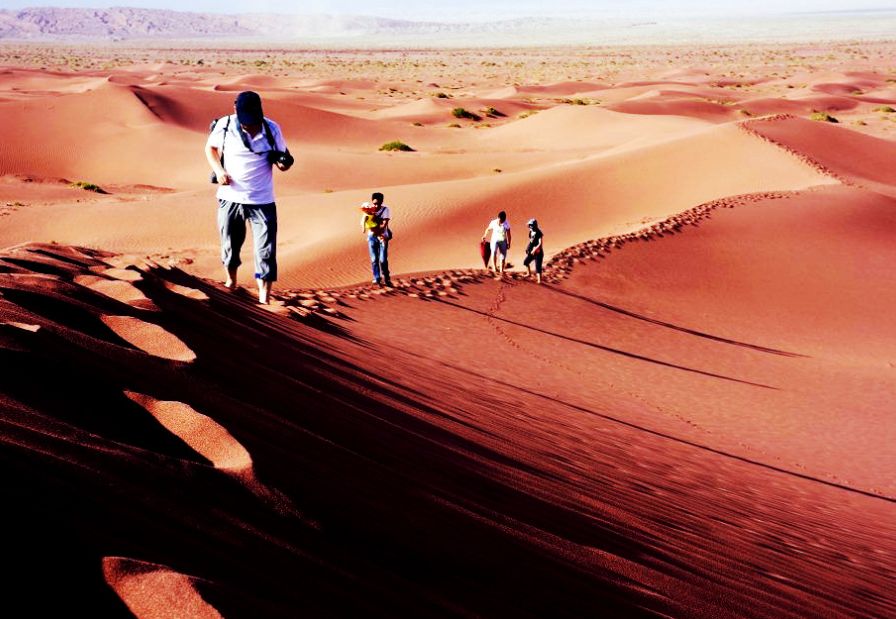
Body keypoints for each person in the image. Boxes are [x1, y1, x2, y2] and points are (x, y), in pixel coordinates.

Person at [204, 91, 293, 304]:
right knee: (230, 245)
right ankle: (231, 282)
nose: (250, 126)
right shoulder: (224, 125)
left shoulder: (272, 128)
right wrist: (218, 170)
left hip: (262, 200)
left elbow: (283, 160)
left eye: (253, 121)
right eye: (246, 122)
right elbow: (210, 148)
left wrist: (282, 163)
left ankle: (264, 298)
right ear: (236, 110)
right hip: (230, 197)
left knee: (266, 250)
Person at [360, 192, 392, 287]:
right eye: (374, 203)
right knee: (374, 259)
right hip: (372, 237)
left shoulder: (385, 210)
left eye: (378, 203)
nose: (376, 205)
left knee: (382, 260)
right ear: (372, 202)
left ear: (382, 201)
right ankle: (377, 278)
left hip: (383, 237)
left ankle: (386, 278)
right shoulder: (368, 210)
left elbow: (384, 224)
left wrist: (378, 231)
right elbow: (364, 222)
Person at [482, 210, 511, 277]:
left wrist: (509, 243)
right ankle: (494, 269)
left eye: (503, 220)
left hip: (503, 240)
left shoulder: (506, 224)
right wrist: (484, 235)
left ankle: (501, 271)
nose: (501, 222)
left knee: (503, 256)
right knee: (494, 252)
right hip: (495, 240)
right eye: (500, 220)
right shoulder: (493, 222)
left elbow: (509, 234)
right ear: (498, 218)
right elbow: (488, 229)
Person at [523, 218, 544, 284]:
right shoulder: (530, 232)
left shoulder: (539, 233)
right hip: (532, 252)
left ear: (534, 225)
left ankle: (539, 281)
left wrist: (534, 249)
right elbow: (531, 242)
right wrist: (528, 248)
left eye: (531, 225)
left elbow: (540, 244)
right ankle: (529, 274)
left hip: (538, 253)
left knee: (538, 267)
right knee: (526, 262)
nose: (529, 226)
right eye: (529, 225)